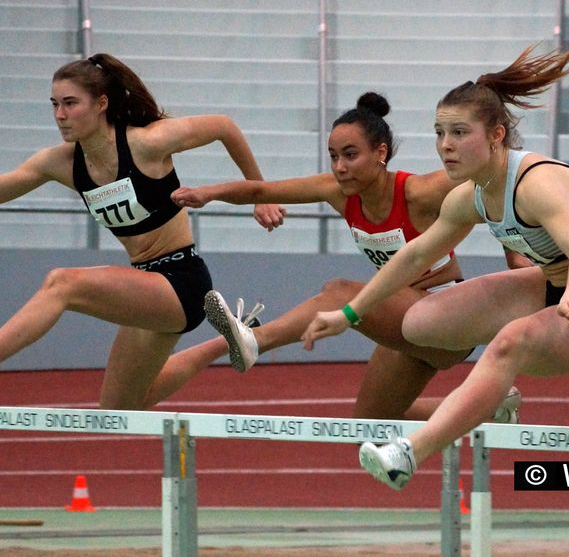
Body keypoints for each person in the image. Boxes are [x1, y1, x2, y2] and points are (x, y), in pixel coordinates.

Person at [300, 45, 569, 491]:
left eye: (459, 133)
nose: (445, 145)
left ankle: (409, 453)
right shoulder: (471, 196)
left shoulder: (535, 184)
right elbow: (414, 256)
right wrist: (348, 314)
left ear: (497, 135)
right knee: (421, 322)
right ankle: (490, 397)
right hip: (558, 286)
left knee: (509, 343)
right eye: (440, 132)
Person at [145, 92, 523, 425]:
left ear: (381, 154)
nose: (340, 167)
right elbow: (262, 188)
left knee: (340, 291)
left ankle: (254, 340)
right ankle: (488, 407)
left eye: (351, 155)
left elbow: (497, 182)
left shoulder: (421, 192)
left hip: (449, 322)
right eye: (334, 156)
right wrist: (209, 193)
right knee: (370, 425)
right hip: (404, 321)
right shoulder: (338, 191)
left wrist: (517, 250)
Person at [0, 52, 284, 409]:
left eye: (70, 104)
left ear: (101, 103)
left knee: (63, 283)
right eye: (54, 104)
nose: (60, 115)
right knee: (119, 408)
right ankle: (232, 338)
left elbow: (224, 126)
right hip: (146, 289)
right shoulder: (60, 163)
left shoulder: (146, 143)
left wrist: (262, 195)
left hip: (182, 281)